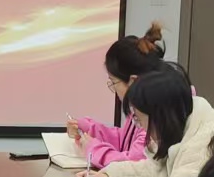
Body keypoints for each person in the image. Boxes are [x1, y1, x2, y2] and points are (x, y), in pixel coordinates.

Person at [75, 65, 214, 177]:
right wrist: (109, 176)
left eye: (139, 119)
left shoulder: (205, 140)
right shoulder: (178, 123)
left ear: (160, 116)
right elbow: (154, 170)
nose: (141, 128)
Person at [64, 22, 168, 168]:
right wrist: (89, 128)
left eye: (114, 82)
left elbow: (133, 163)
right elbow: (123, 141)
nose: (113, 89)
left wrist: (93, 149)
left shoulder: (154, 116)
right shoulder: (141, 106)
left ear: (132, 81)